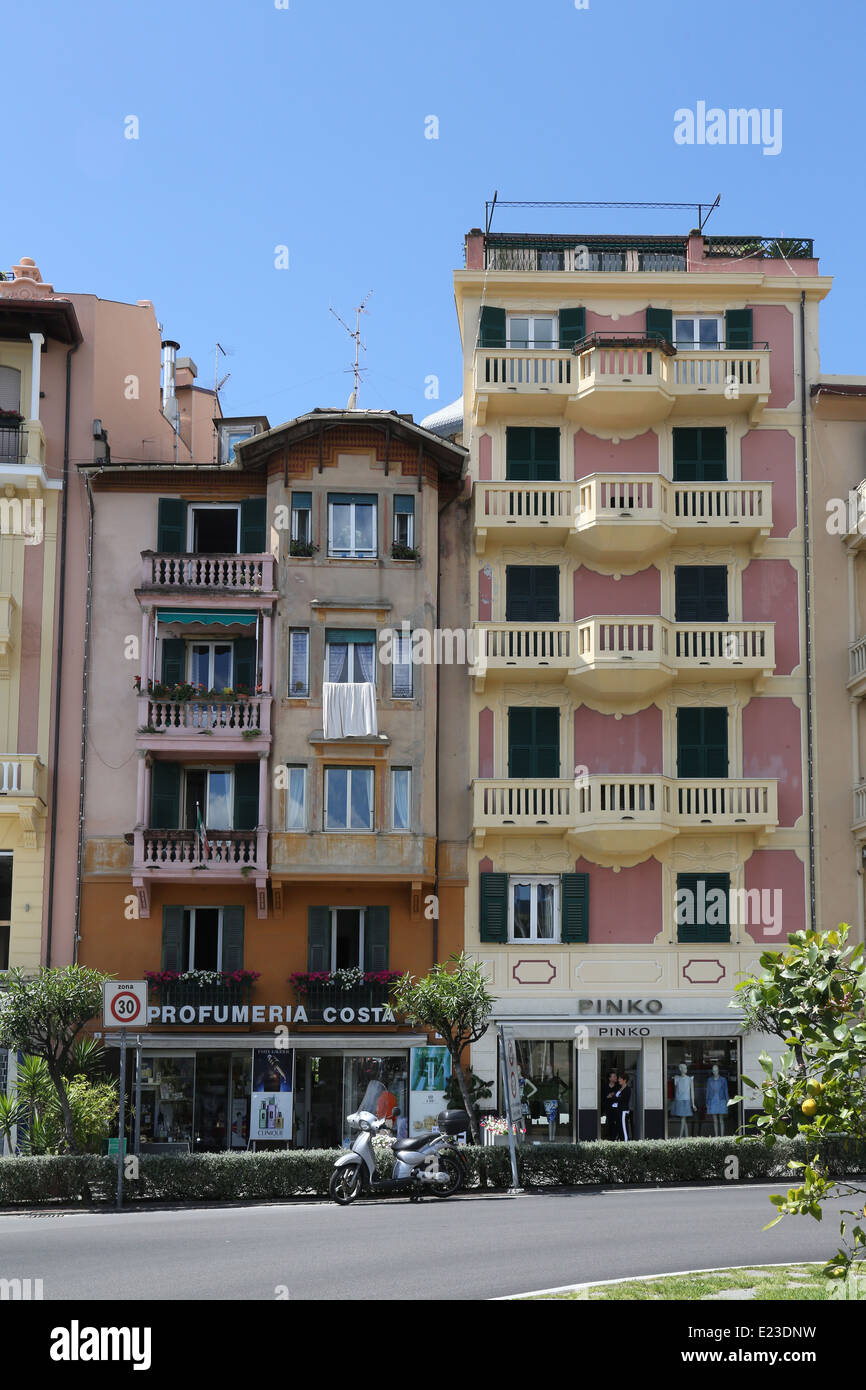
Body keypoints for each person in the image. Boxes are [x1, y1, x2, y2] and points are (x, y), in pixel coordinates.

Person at [610, 1072, 632, 1142]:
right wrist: (615, 1097)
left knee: (624, 1128)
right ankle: (621, 1142)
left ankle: (626, 1143)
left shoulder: (627, 1089)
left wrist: (614, 1097)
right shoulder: (619, 1088)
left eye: (620, 1078)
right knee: (619, 1127)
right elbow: (616, 1098)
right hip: (618, 1111)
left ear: (624, 1080)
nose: (618, 1080)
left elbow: (622, 1099)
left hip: (623, 1111)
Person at [600, 1069, 619, 1138]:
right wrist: (607, 1096)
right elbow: (602, 1097)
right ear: (609, 1078)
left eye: (616, 1076)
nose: (615, 1078)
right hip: (608, 1107)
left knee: (616, 1122)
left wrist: (614, 1096)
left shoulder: (618, 1086)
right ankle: (610, 1137)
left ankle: (615, 1137)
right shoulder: (605, 1086)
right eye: (613, 1076)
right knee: (609, 1122)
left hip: (617, 1108)